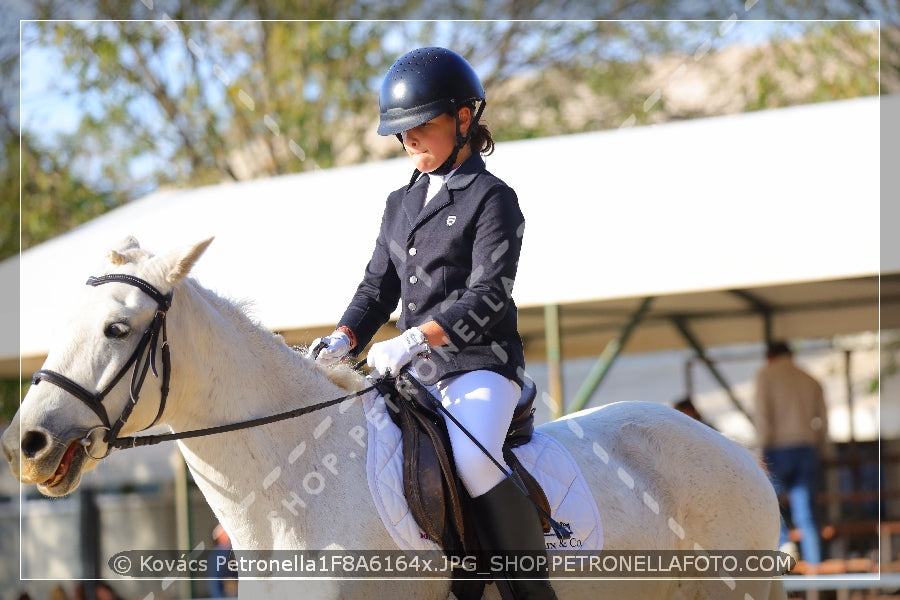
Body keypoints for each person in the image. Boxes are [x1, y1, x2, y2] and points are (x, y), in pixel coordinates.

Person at [308, 47, 555, 599]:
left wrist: (418, 337)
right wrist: (344, 337)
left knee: (471, 458)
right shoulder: (400, 203)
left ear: (463, 118)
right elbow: (377, 288)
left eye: (421, 126)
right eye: (402, 132)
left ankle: (529, 589)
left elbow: (490, 295)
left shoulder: (493, 199)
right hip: (411, 372)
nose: (410, 140)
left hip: (478, 366)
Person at [753, 340, 828, 569]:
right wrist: (821, 448)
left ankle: (784, 553)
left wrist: (760, 451)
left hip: (778, 448)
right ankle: (815, 566)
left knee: (771, 504)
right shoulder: (809, 379)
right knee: (806, 510)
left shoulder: (766, 375)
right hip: (807, 448)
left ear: (770, 356)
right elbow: (823, 421)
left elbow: (763, 417)